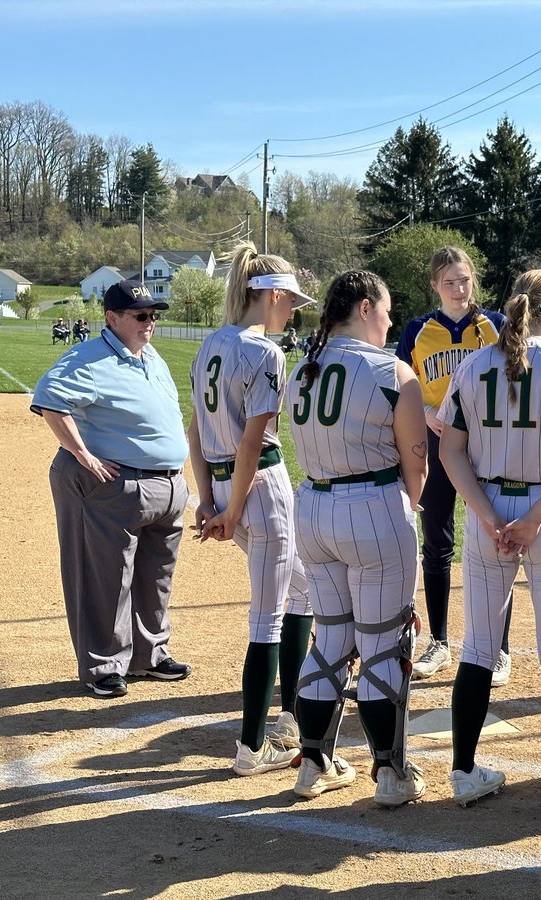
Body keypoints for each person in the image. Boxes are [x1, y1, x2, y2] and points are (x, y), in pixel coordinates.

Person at [439, 269, 541, 817]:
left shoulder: (473, 363)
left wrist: (487, 515)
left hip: (487, 511)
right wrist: (532, 517)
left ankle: (464, 771)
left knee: (479, 647)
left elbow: (450, 453)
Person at [286, 270, 431, 808]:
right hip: (371, 506)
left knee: (328, 642)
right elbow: (417, 466)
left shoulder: (304, 365)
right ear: (366, 307)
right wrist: (406, 509)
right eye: (387, 309)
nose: (391, 320)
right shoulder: (392, 370)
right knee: (382, 646)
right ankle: (392, 773)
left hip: (314, 505)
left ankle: (314, 763)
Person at [187, 244, 317, 778]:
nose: (292, 312)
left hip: (228, 486)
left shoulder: (209, 344)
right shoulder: (267, 352)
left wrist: (210, 501)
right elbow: (251, 443)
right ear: (273, 296)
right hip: (259, 486)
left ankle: (290, 713)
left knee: (304, 588)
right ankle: (251, 746)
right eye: (290, 303)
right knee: (267, 616)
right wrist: (232, 506)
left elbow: (195, 430)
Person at [31, 280, 193, 698]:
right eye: (141, 315)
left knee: (155, 577)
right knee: (104, 578)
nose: (150, 322)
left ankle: (149, 656)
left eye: (153, 315)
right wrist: (84, 455)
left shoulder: (149, 356)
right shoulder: (89, 357)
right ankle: (104, 665)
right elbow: (49, 398)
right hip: (116, 487)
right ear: (112, 318)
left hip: (165, 487)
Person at [396, 247, 512, 684]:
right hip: (439, 443)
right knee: (437, 540)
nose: (459, 289)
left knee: (497, 534)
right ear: (434, 285)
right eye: (449, 282)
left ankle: (498, 647)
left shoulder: (495, 326)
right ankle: (440, 640)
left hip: (488, 446)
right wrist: (427, 413)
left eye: (464, 280)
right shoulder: (417, 330)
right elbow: (403, 386)